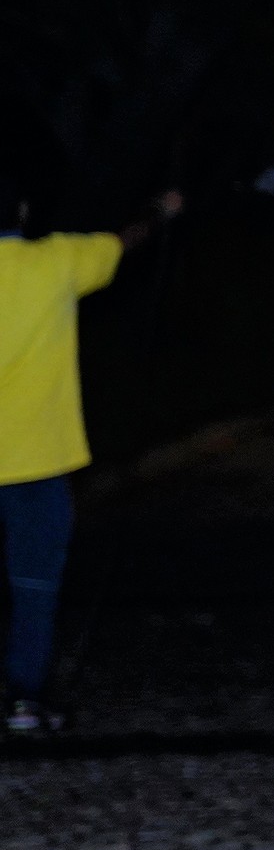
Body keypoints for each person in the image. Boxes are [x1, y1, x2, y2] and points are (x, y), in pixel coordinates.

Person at [0, 183, 182, 736]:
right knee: (33, 587)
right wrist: (160, 209)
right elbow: (121, 241)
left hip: (34, 468)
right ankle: (24, 700)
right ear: (23, 211)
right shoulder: (57, 261)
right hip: (36, 466)